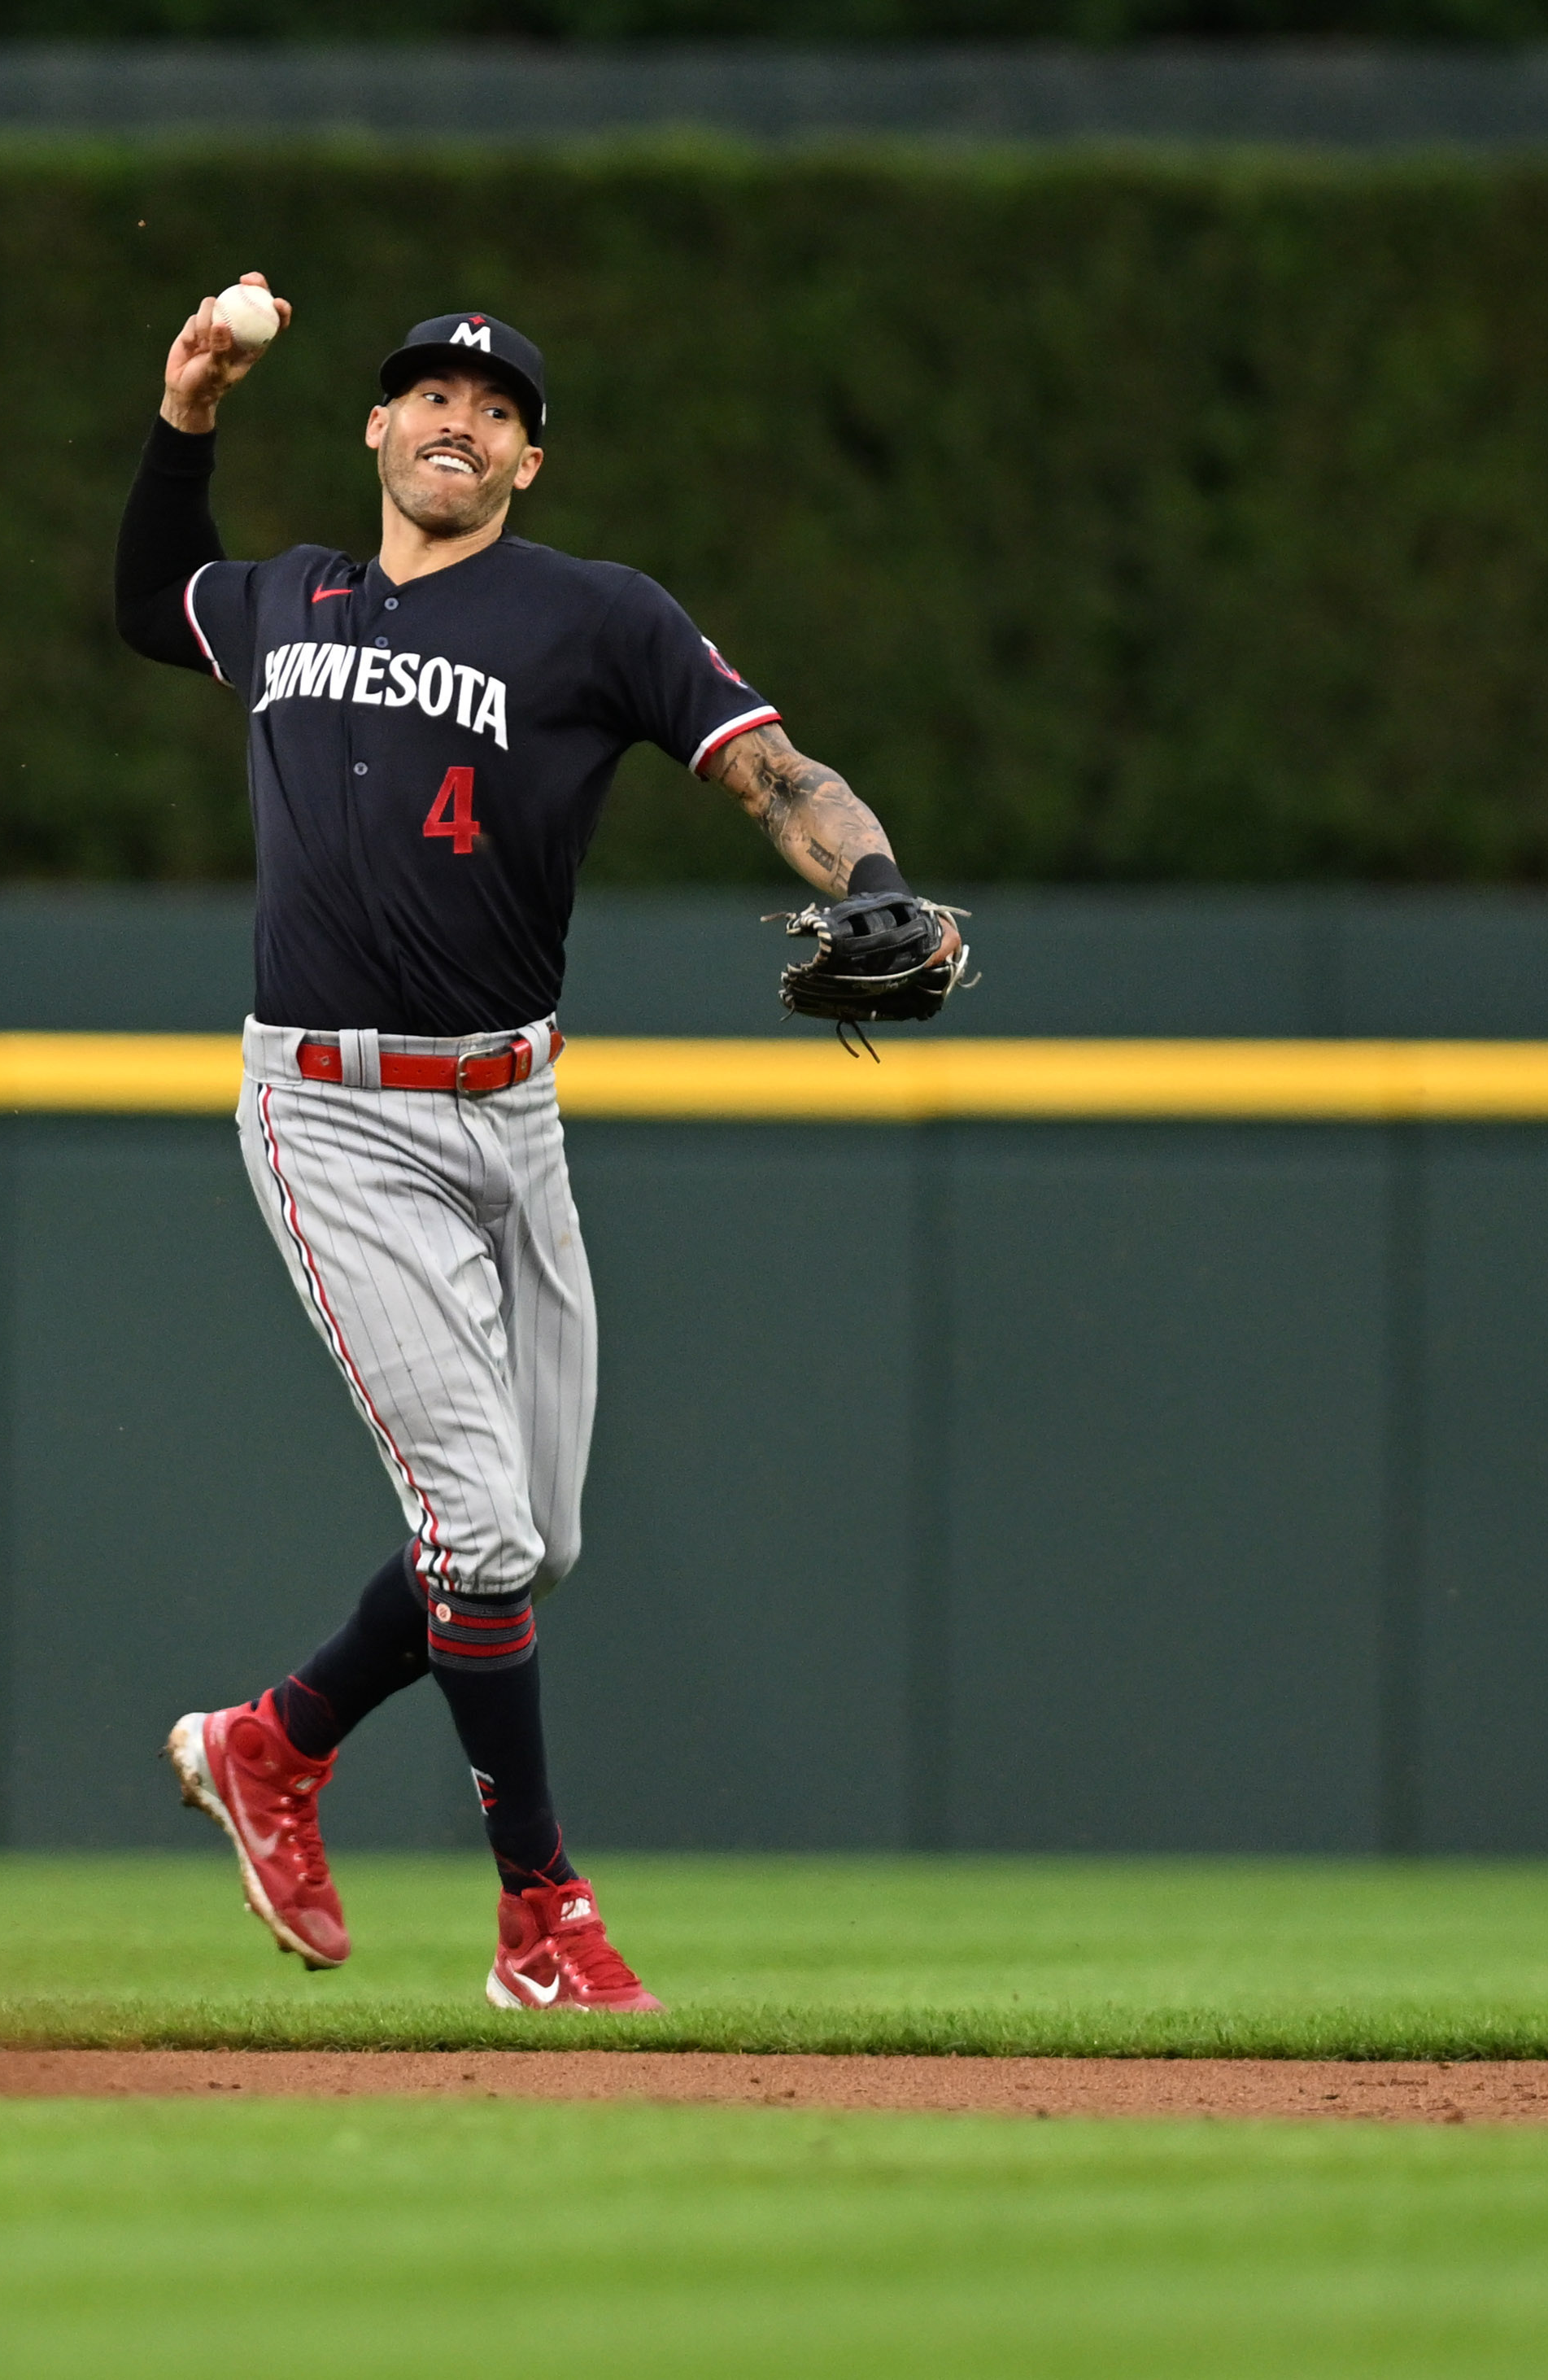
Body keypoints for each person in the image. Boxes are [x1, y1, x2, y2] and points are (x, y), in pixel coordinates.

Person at [116, 282, 960, 2011]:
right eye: (424, 392)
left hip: (510, 1107)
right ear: (373, 427)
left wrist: (869, 880)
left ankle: (271, 1741)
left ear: (528, 453)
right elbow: (146, 597)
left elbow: (775, 771)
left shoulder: (593, 616)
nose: (454, 417)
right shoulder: (285, 598)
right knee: (481, 1539)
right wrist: (185, 407)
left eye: (490, 406)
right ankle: (541, 1916)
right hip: (333, 1107)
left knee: (527, 1543)